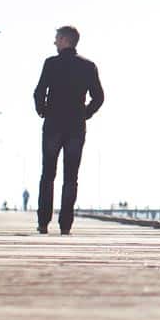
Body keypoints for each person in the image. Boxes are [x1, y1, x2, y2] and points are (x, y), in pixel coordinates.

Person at [32, 25, 104, 234]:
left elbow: (38, 92)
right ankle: (65, 225)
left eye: (56, 38)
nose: (54, 42)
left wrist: (42, 110)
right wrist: (85, 113)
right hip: (75, 127)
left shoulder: (51, 64)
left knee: (48, 174)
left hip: (53, 125)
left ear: (65, 40)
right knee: (71, 177)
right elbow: (99, 97)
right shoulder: (88, 66)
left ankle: (43, 222)